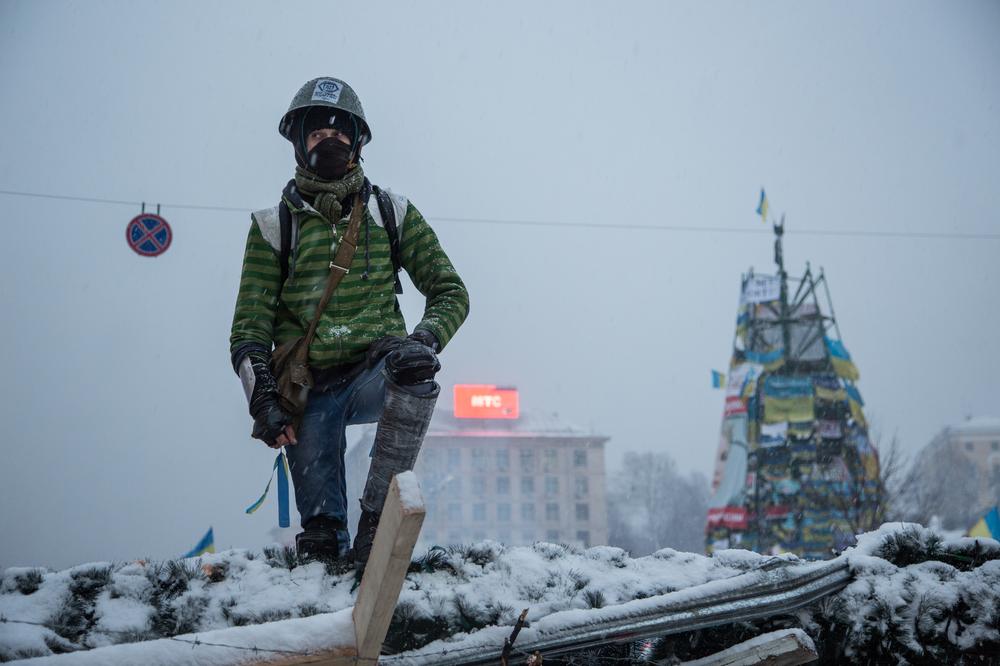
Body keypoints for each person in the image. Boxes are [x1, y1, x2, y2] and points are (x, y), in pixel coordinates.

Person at [230, 77, 469, 570]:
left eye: (340, 133)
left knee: (414, 370)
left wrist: (424, 340)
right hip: (309, 387)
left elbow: (451, 290)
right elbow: (249, 330)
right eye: (318, 134)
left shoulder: (391, 213)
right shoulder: (273, 226)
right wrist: (263, 397)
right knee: (321, 542)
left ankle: (379, 523)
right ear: (299, 144)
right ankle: (326, 548)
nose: (329, 142)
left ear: (358, 142)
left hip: (377, 372)